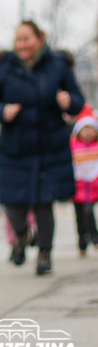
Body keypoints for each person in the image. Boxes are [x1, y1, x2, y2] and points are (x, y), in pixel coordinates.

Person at [0, 20, 85, 276]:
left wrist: (68, 101)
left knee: (44, 204)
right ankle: (20, 235)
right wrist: (1, 111)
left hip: (48, 146)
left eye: (27, 39)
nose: (22, 45)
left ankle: (44, 254)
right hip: (14, 147)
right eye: (18, 40)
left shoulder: (57, 66)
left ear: (40, 39)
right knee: (13, 205)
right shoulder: (4, 68)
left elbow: (78, 100)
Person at [71, 104, 98, 257]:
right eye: (85, 129)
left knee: (88, 212)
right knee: (79, 217)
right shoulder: (73, 146)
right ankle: (82, 241)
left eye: (91, 129)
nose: (88, 133)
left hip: (93, 186)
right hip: (77, 187)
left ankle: (94, 238)